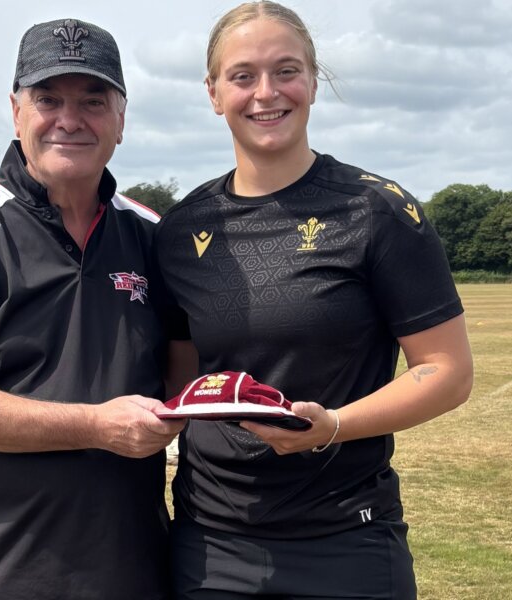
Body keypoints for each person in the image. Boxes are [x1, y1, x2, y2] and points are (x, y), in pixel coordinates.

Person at [155, 2, 474, 598]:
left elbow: (448, 372)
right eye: (243, 75)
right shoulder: (181, 229)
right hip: (210, 546)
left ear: (314, 80)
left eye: (287, 70)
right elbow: (183, 379)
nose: (266, 93)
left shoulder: (376, 210)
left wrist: (334, 426)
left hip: (346, 539)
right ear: (213, 91)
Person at [0, 18, 184, 600]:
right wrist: (98, 426)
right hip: (1, 567)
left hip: (136, 563)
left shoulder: (155, 236)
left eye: (93, 100)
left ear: (121, 119)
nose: (70, 119)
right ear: (15, 111)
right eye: (48, 98)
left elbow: (186, 373)